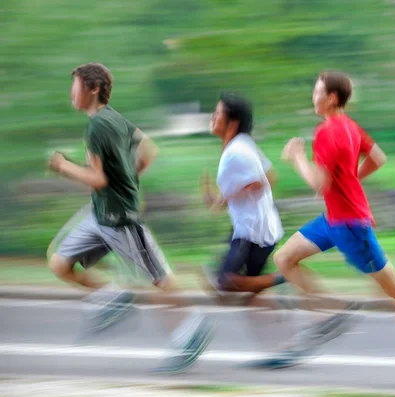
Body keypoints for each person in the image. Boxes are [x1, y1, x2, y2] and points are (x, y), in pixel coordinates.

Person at [273, 70, 395, 370]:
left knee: (392, 287)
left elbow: (318, 184)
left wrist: (297, 157)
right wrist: (349, 179)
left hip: (349, 225)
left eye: (316, 91)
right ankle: (330, 313)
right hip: (333, 220)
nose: (313, 96)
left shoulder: (326, 132)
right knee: (285, 258)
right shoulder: (350, 127)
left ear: (331, 98)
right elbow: (378, 158)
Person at [47, 62, 212, 374]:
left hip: (121, 217)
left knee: (155, 277)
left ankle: (193, 327)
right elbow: (149, 150)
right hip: (99, 214)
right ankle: (113, 297)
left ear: (93, 89)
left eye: (76, 85)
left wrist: (64, 166)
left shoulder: (97, 127)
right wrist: (131, 177)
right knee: (60, 263)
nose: (72, 92)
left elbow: (98, 179)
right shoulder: (115, 119)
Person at [201, 92, 287, 297]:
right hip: (259, 228)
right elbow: (270, 176)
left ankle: (286, 277)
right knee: (247, 291)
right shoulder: (244, 143)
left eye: (218, 113)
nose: (212, 116)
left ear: (232, 123)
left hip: (252, 234)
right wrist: (224, 198)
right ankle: (281, 285)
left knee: (226, 283)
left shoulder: (236, 152)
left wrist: (233, 195)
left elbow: (260, 181)